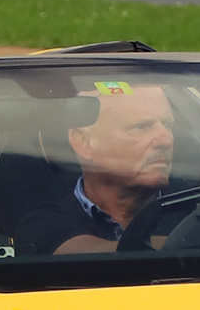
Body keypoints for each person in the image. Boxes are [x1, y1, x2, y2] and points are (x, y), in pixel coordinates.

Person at [12, 82, 177, 256]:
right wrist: (196, 238)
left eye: (167, 126)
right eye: (140, 127)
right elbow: (85, 259)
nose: (166, 140)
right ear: (83, 143)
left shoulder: (198, 205)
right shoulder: (43, 224)